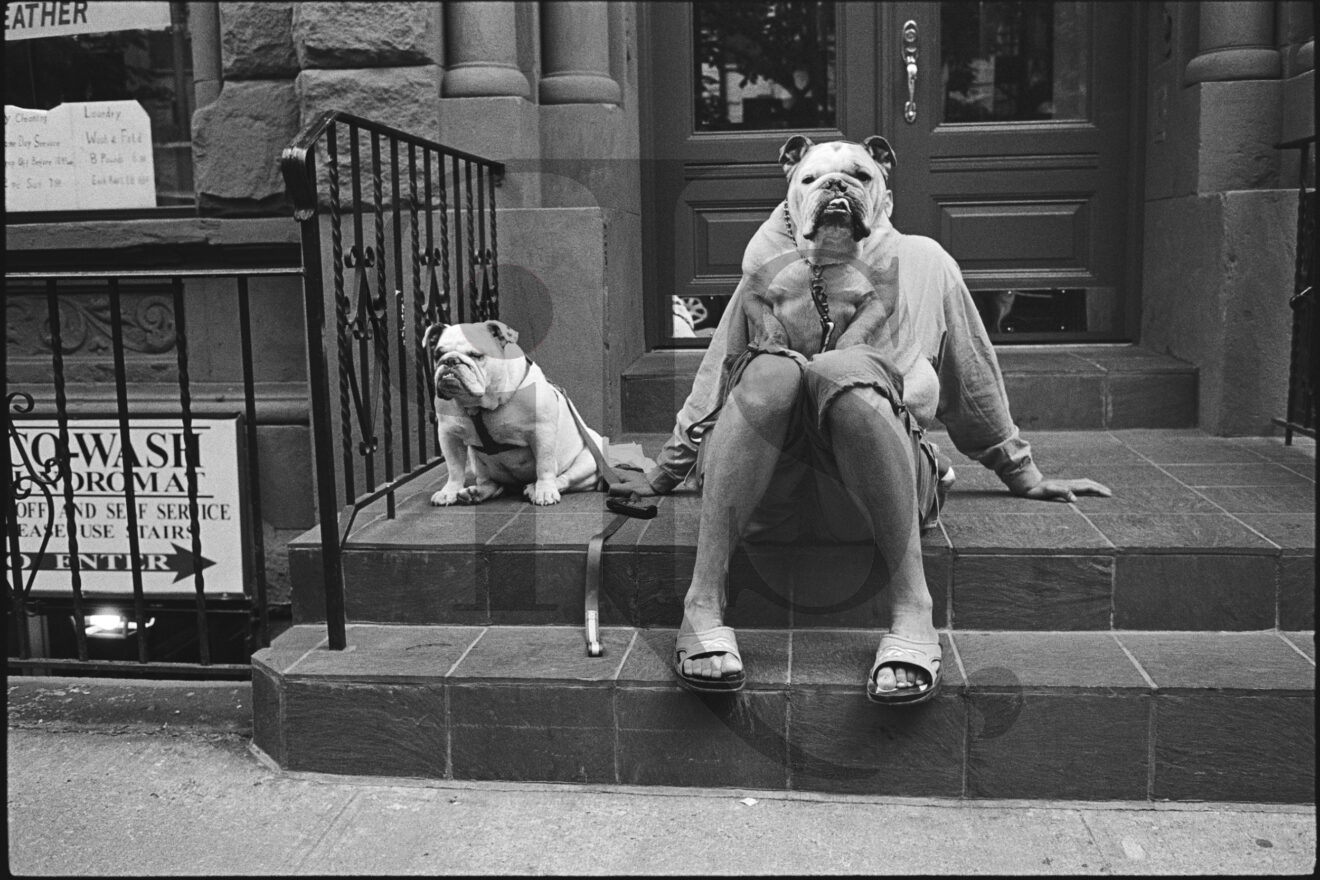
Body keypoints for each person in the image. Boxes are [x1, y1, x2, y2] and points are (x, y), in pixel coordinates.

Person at [610, 135, 1110, 704]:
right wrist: (663, 472)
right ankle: (701, 601)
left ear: (885, 194)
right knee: (769, 373)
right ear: (790, 197)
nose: (836, 190)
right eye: (815, 180)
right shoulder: (770, 269)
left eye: (858, 177)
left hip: (872, 495)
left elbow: (970, 374)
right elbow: (717, 374)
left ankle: (912, 607)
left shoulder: (923, 262)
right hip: (766, 493)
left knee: (847, 377)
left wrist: (1021, 472)